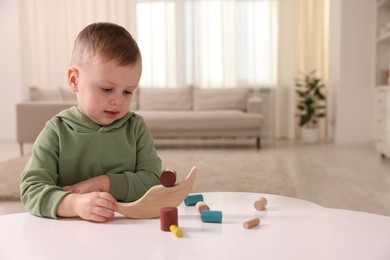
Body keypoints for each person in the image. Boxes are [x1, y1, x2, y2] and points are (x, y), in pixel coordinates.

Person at [20, 22, 162, 223]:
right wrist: (75, 204)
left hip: (129, 232)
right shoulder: (57, 131)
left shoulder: (136, 128)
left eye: (128, 91)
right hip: (69, 235)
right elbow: (31, 190)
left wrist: (106, 184)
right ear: (74, 80)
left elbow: (154, 181)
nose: (118, 100)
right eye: (106, 89)